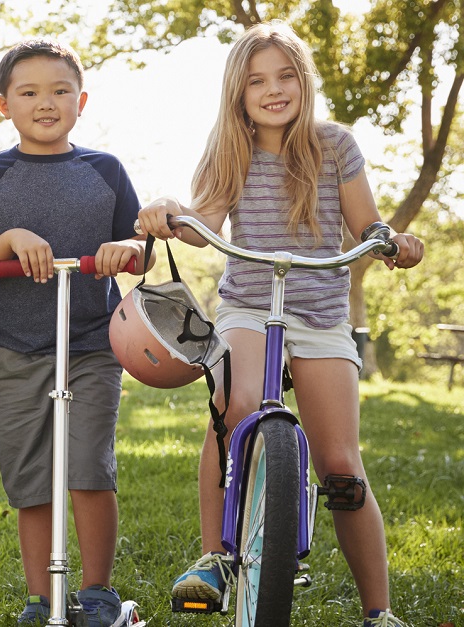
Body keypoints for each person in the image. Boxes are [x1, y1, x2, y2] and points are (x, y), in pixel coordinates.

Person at [137, 21, 423, 627]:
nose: (273, 89)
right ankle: (215, 554)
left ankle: (379, 611)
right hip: (249, 304)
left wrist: (392, 242)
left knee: (342, 465)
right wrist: (169, 211)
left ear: (304, 82)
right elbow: (202, 216)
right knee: (231, 403)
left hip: (320, 314)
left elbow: (366, 225)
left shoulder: (335, 145)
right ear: (238, 93)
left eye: (286, 76)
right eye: (257, 80)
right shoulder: (229, 151)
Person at [0, 39, 146, 627]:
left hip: (93, 343)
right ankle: (41, 600)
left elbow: (140, 250)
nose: (46, 103)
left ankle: (96, 593)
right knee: (30, 477)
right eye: (29, 92)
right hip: (15, 348)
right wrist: (11, 238)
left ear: (81, 100)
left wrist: (127, 249)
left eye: (60, 91)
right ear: (2, 104)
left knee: (89, 465)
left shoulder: (105, 170)